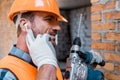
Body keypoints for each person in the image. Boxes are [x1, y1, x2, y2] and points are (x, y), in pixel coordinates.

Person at [0, 0, 67, 80]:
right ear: (25, 25)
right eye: (49, 19)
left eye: (56, 21)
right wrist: (47, 67)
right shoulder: (7, 73)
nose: (58, 27)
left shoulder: (50, 62)